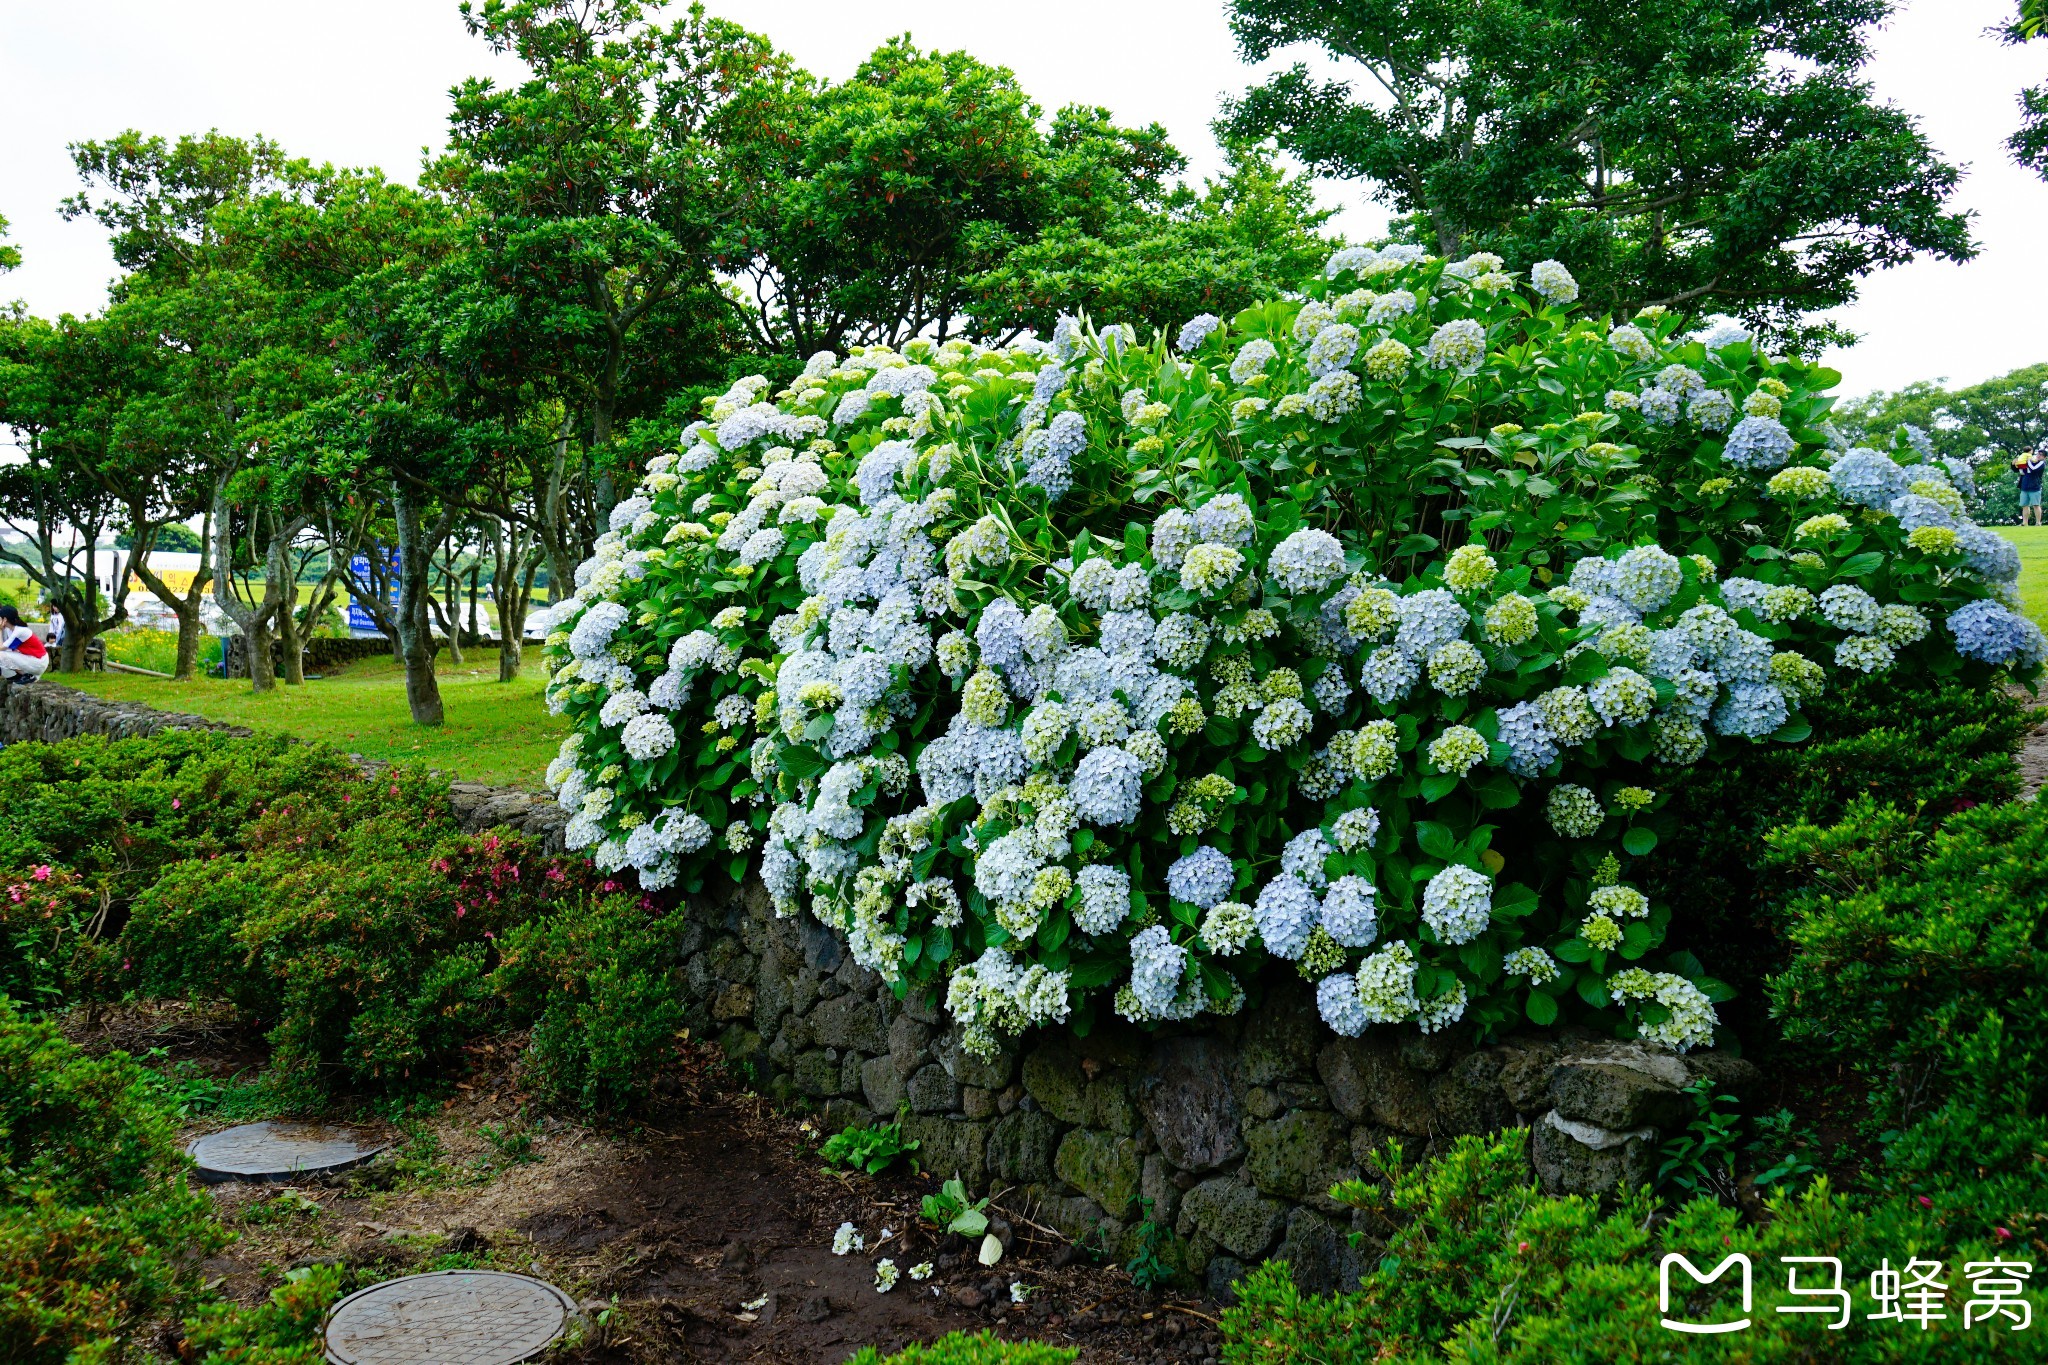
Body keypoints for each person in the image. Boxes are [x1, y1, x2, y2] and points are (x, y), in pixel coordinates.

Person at [0, 605, 49, 683]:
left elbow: (1, 648)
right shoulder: (11, 629)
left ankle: (29, 676)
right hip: (33, 659)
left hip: (38, 662)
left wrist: (0, 630)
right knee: (6, 654)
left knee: (1, 655)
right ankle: (21, 675)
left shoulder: (19, 631)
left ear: (5, 619)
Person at [2020, 445, 2048, 527]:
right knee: (2024, 505)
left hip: (2035, 487)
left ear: (2044, 457)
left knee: (2036, 505)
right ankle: (2025, 523)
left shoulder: (2042, 463)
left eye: (2041, 455)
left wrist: (2028, 461)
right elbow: (2022, 468)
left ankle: (2038, 522)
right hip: (2025, 485)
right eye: (2038, 454)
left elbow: (2033, 469)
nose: (2038, 455)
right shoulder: (2032, 461)